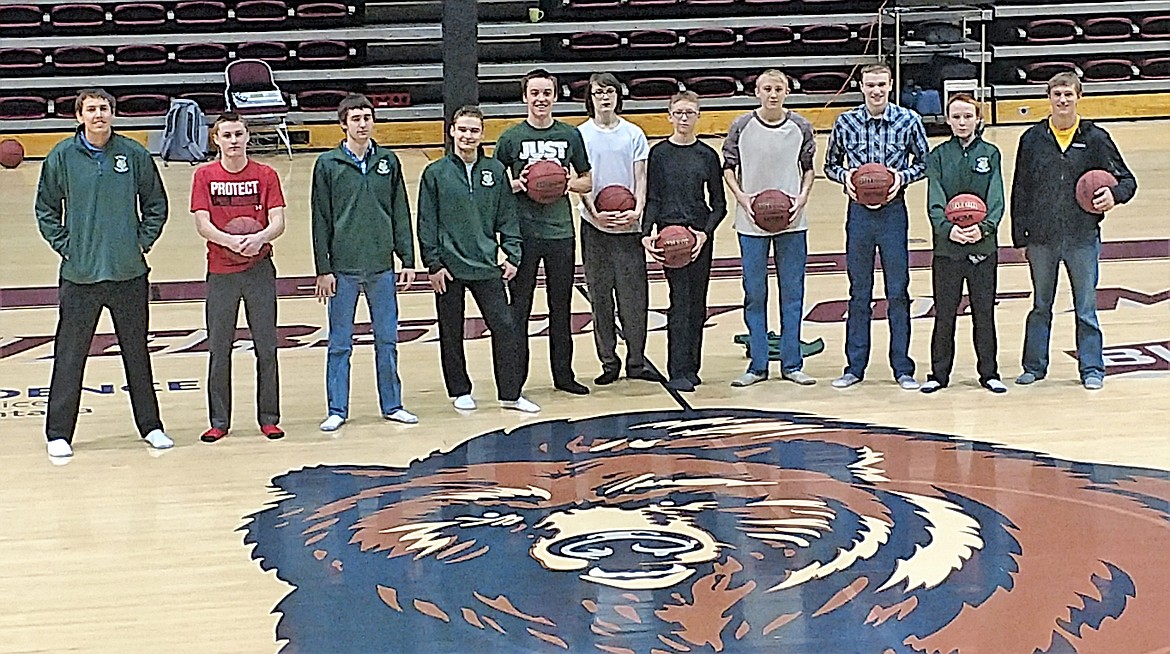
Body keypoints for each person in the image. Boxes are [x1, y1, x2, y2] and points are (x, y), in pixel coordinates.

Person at [34, 88, 173, 458]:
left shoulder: (134, 153)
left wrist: (140, 242)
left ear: (113, 113)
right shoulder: (61, 157)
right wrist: (67, 245)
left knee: (137, 352)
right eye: (91, 109)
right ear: (79, 115)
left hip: (128, 272)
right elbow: (46, 209)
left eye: (105, 108)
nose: (99, 115)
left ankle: (151, 427)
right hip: (80, 274)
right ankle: (59, 433)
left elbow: (156, 204)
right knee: (69, 354)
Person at [1011, 72, 1137, 390]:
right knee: (1041, 305)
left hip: (1082, 237)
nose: (1063, 100)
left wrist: (1114, 195)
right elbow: (1020, 189)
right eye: (1057, 94)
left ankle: (1092, 368)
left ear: (1079, 96)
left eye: (1068, 94)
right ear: (1049, 98)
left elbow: (1127, 181)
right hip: (1041, 238)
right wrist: (1018, 236)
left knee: (1086, 307)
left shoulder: (1095, 137)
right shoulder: (1032, 138)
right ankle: (1034, 367)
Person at [418, 105, 540, 414]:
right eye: (463, 129)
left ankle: (511, 394)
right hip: (449, 266)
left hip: (487, 265)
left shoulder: (495, 171)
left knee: (506, 326)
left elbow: (507, 217)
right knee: (451, 329)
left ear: (482, 134)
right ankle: (460, 390)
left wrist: (512, 254)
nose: (468, 135)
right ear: (452, 131)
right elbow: (426, 222)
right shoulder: (435, 173)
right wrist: (433, 264)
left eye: (474, 130)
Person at [310, 94, 418, 431]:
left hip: (381, 267)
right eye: (355, 118)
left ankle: (392, 404)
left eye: (367, 117)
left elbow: (401, 211)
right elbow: (320, 219)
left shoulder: (388, 161)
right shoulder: (327, 164)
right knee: (340, 342)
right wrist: (323, 269)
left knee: (387, 339)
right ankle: (337, 409)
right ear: (343, 124)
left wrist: (408, 258)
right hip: (342, 269)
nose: (362, 124)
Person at [824, 63, 929, 390]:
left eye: (882, 84)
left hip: (894, 212)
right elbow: (830, 165)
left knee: (898, 292)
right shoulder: (845, 122)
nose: (876, 90)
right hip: (858, 212)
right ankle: (854, 367)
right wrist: (847, 179)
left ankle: (903, 368)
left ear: (891, 84)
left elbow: (924, 163)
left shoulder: (908, 120)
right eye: (870, 85)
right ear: (861, 85)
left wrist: (901, 177)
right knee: (859, 292)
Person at [494, 68, 593, 396]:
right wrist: (519, 184)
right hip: (522, 235)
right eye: (534, 93)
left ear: (555, 96)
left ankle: (563, 376)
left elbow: (587, 181)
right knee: (519, 308)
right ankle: (515, 380)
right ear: (525, 97)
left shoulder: (570, 135)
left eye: (546, 93)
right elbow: (494, 186)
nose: (541, 99)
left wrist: (565, 184)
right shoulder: (510, 138)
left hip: (561, 233)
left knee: (561, 306)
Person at [191, 113, 286, 442]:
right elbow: (202, 223)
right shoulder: (204, 176)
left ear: (248, 137)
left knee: (267, 346)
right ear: (216, 139)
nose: (233, 140)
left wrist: (260, 238)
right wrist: (230, 241)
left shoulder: (266, 174)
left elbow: (278, 221)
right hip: (221, 271)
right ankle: (219, 421)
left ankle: (269, 417)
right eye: (227, 134)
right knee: (219, 348)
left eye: (239, 134)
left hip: (259, 269)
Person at [722, 69, 817, 388]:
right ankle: (758, 364)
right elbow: (729, 168)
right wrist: (742, 198)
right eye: (767, 88)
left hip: (791, 221)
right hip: (751, 221)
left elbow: (808, 169)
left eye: (778, 88)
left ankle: (792, 363)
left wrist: (802, 198)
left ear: (787, 92)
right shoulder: (742, 125)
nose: (773, 94)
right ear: (757, 92)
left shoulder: (801, 126)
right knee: (755, 293)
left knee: (792, 293)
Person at [921, 93, 1007, 394]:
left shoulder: (991, 153)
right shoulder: (939, 155)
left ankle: (990, 373)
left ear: (978, 119)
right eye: (956, 116)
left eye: (967, 116)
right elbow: (935, 199)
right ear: (948, 119)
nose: (962, 122)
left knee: (984, 312)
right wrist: (948, 230)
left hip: (983, 247)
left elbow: (996, 198)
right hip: (948, 249)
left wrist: (983, 228)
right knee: (944, 313)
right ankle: (938, 374)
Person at [642, 91, 727, 392]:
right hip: (670, 236)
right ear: (669, 116)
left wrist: (705, 233)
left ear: (698, 116)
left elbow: (719, 204)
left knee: (698, 302)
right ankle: (676, 368)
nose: (684, 118)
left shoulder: (707, 155)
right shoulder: (659, 154)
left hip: (699, 235)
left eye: (689, 113)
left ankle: (693, 366)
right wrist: (646, 233)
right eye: (678, 113)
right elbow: (652, 198)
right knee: (679, 300)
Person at [577, 72, 658, 385]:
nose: (605, 97)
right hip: (594, 226)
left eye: (610, 91)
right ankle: (608, 362)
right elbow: (580, 177)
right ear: (591, 98)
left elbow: (641, 176)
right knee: (600, 296)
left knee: (634, 298)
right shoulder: (581, 134)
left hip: (629, 226)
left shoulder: (633, 134)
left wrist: (637, 210)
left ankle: (636, 361)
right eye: (598, 92)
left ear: (618, 96)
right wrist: (593, 211)